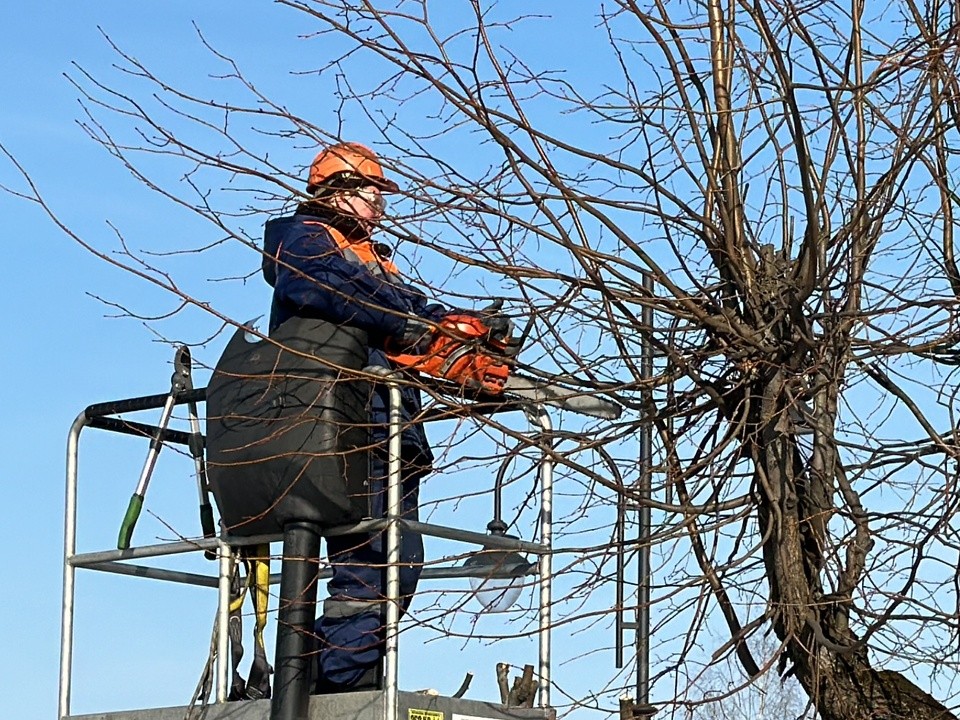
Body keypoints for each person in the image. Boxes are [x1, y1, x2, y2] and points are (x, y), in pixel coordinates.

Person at [262, 142, 458, 693]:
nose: (378, 199)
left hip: (387, 426)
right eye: (368, 188)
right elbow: (333, 290)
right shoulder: (303, 243)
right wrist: (410, 323)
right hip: (344, 424)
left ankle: (329, 679)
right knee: (374, 566)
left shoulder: (373, 261)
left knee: (392, 565)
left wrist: (457, 332)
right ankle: (330, 685)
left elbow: (410, 310)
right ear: (335, 190)